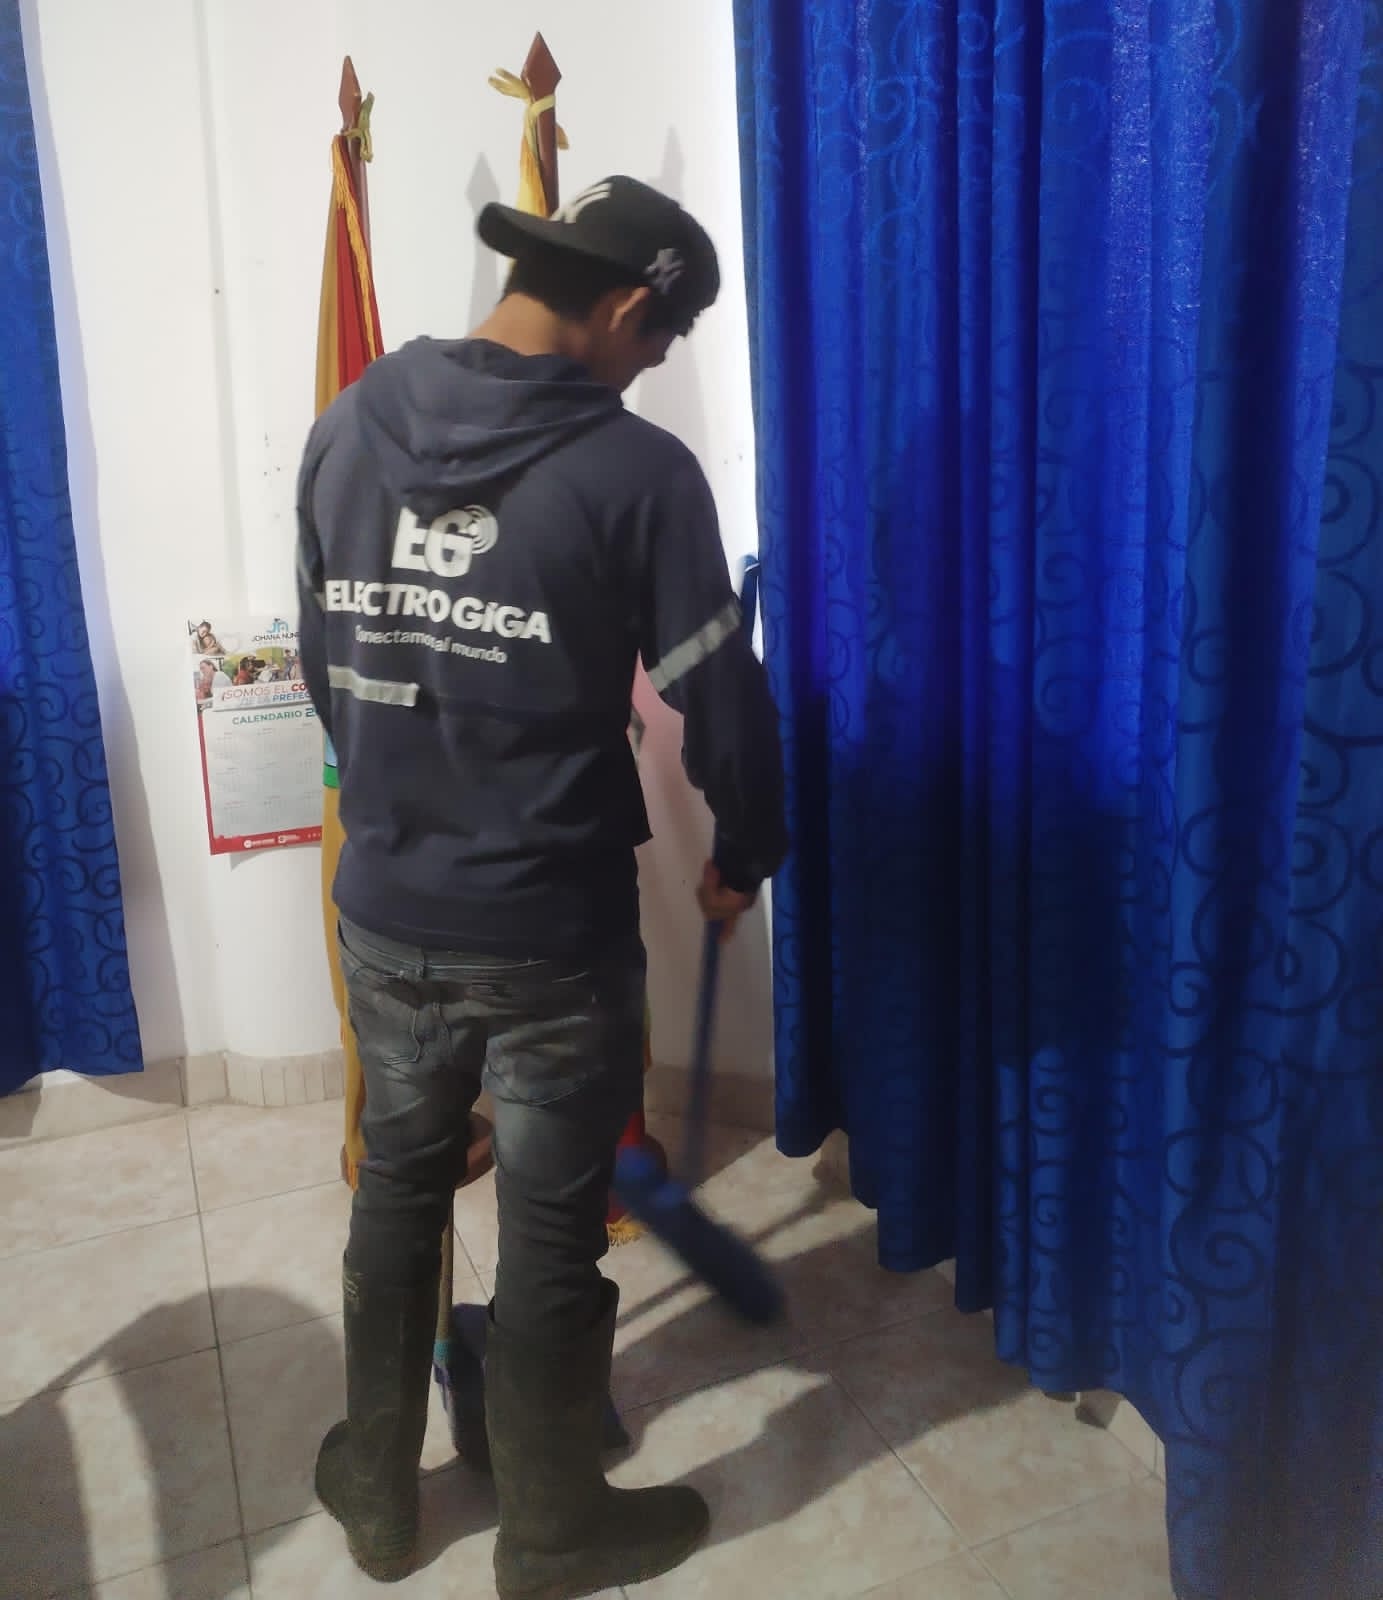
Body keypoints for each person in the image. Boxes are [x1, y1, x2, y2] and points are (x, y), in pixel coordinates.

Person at [295, 176, 787, 1599]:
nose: (653, 369)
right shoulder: (637, 474)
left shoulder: (347, 425)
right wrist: (746, 850)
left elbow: (331, 666)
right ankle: (555, 1530)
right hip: (550, 935)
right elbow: (722, 705)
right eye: (662, 340)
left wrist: (407, 803)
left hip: (388, 906)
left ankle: (378, 1495)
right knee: (554, 1229)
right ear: (629, 305)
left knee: (398, 1190)